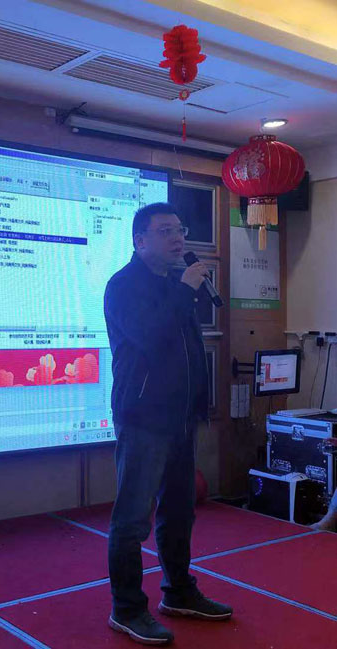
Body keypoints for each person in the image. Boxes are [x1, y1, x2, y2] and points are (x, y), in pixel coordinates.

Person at [103, 203, 232, 645]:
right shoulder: (123, 286)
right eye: (165, 231)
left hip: (181, 417)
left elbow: (188, 350)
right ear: (140, 240)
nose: (178, 238)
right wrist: (184, 291)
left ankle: (178, 592)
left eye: (180, 230)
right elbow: (150, 336)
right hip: (144, 417)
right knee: (132, 519)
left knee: (179, 512)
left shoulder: (173, 284)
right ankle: (126, 609)